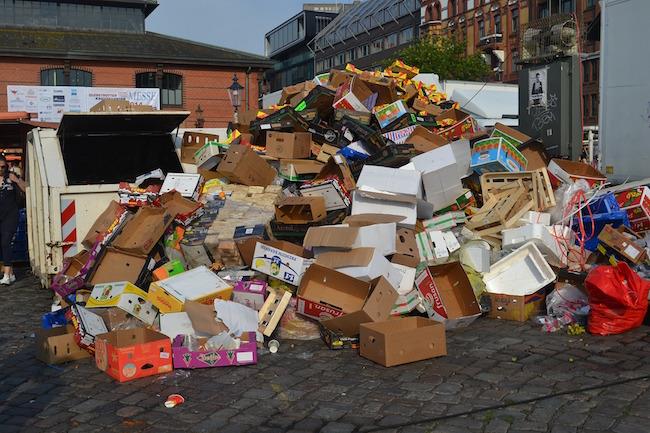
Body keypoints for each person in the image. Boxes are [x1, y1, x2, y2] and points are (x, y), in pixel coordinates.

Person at [0, 155, 25, 285]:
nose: (1, 169)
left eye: (3, 167)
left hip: (10, 215)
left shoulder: (11, 177)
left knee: (6, 242)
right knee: (2, 244)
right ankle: (11, 273)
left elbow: (26, 188)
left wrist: (17, 180)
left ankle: (6, 275)